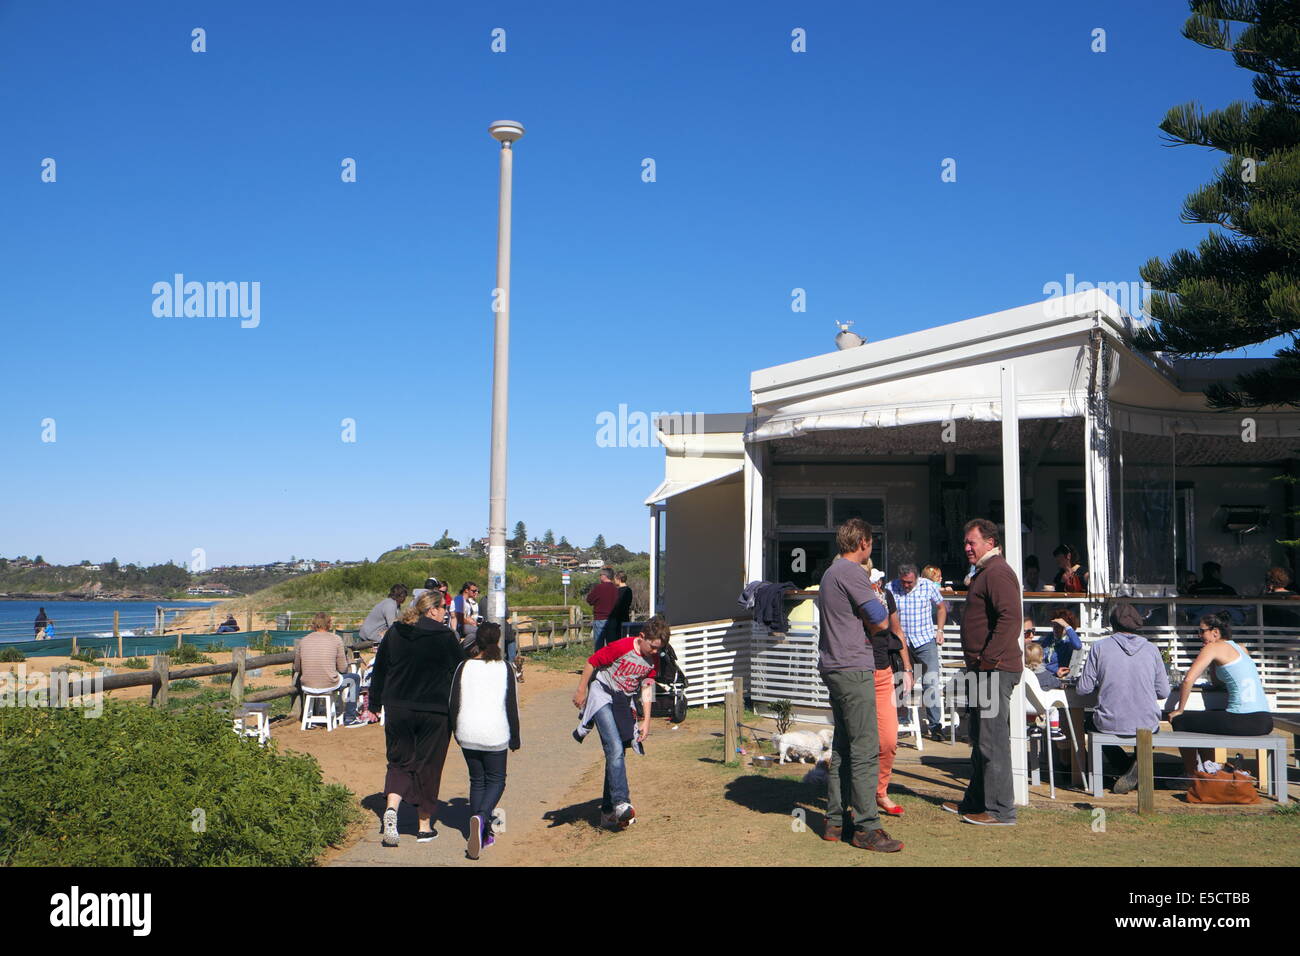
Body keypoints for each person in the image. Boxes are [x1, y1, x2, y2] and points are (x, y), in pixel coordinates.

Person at [814, 518, 902, 852]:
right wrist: (878, 601)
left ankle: (834, 822)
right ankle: (866, 827)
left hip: (834, 665)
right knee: (865, 748)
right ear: (863, 542)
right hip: (853, 666)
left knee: (844, 747)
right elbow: (879, 619)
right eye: (871, 542)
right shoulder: (852, 573)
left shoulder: (830, 572)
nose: (872, 548)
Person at [943, 518, 1023, 826]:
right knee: (980, 737)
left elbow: (1011, 617)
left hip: (995, 669)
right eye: (965, 542)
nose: (966, 548)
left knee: (993, 741)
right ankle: (976, 802)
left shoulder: (998, 572)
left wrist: (989, 657)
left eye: (971, 542)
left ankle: (1000, 811)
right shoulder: (986, 572)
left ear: (989, 543)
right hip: (983, 669)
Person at [369, 591, 465, 846]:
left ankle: (391, 809)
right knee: (428, 765)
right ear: (432, 610)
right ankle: (424, 826)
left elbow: (380, 668)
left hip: (398, 706)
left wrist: (375, 703)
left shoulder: (396, 631)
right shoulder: (444, 636)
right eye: (443, 608)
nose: (446, 612)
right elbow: (460, 672)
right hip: (434, 710)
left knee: (399, 760)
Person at [571, 615, 669, 830]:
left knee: (618, 753)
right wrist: (581, 691)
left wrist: (646, 721)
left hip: (623, 700)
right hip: (601, 693)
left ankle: (607, 812)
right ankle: (621, 802)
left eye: (658, 649)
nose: (654, 652)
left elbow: (647, 686)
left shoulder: (654, 659)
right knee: (614, 748)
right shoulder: (622, 646)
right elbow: (591, 662)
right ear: (642, 637)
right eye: (652, 647)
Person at [1075, 604, 1169, 793]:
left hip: (1109, 721)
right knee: (1148, 725)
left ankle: (1125, 767)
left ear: (1112, 625)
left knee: (1089, 724)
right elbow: (1164, 692)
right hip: (1147, 722)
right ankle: (1135, 766)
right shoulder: (1152, 649)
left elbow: (1083, 689)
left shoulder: (1099, 647)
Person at [1169, 613, 1273, 778]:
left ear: (1215, 632)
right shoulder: (1241, 648)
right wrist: (1213, 663)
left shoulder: (1213, 647)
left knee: (1180, 721)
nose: (1199, 635)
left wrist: (1179, 709)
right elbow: (1218, 682)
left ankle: (1191, 776)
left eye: (1202, 631)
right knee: (1205, 719)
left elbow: (1188, 680)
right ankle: (1209, 771)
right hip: (1265, 720)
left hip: (1243, 719)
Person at [449, 623, 520, 860]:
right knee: (497, 780)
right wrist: (515, 738)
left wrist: (456, 732)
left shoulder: (464, 666)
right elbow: (512, 706)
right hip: (495, 732)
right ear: (498, 641)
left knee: (477, 780)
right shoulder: (505, 667)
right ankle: (481, 817)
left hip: (468, 732)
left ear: (475, 642)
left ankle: (483, 832)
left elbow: (453, 703)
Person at [869, 568, 911, 817]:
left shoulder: (886, 597)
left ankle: (880, 791)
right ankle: (857, 795)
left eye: (880, 583)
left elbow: (897, 630)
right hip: (857, 672)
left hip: (883, 671)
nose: (878, 587)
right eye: (875, 583)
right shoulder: (852, 598)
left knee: (888, 739)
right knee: (860, 740)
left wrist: (907, 668)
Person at [888, 563, 947, 740]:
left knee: (931, 682)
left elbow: (941, 607)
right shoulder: (891, 587)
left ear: (917, 578)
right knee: (900, 683)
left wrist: (940, 630)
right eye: (904, 582)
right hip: (902, 642)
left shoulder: (928, 586)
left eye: (910, 582)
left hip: (924, 640)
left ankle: (935, 725)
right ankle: (902, 722)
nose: (906, 585)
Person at [295, 612, 366, 728]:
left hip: (307, 685)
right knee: (355, 679)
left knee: (317, 680)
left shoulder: (303, 641)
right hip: (330, 683)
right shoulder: (336, 639)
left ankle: (312, 717)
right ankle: (350, 717)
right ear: (329, 624)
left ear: (314, 624)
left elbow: (297, 667)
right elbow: (343, 669)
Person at [1036, 607, 1082, 676]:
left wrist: (1066, 625)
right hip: (1043, 673)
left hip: (1056, 676)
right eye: (1055, 626)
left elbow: (1078, 646)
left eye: (1060, 626)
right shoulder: (1050, 638)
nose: (1057, 629)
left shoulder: (1068, 642)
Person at [585, 567, 620, 650]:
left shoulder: (599, 588)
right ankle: (611, 662)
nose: (600, 577)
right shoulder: (616, 589)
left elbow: (589, 600)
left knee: (599, 645)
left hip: (600, 618)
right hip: (613, 619)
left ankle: (599, 662)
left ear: (605, 576)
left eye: (600, 575)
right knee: (611, 645)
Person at [603, 570, 634, 645]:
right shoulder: (629, 590)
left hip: (615, 620)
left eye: (615, 579)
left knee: (613, 642)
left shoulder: (617, 591)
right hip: (625, 617)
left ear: (618, 579)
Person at [452, 582, 481, 649]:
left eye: (476, 591)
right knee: (480, 631)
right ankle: (461, 648)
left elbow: (466, 616)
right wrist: (470, 622)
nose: (475, 592)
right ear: (466, 590)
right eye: (473, 591)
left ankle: (463, 648)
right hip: (458, 627)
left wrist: (473, 621)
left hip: (464, 626)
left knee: (474, 635)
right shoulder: (459, 599)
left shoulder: (467, 602)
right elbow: (458, 618)